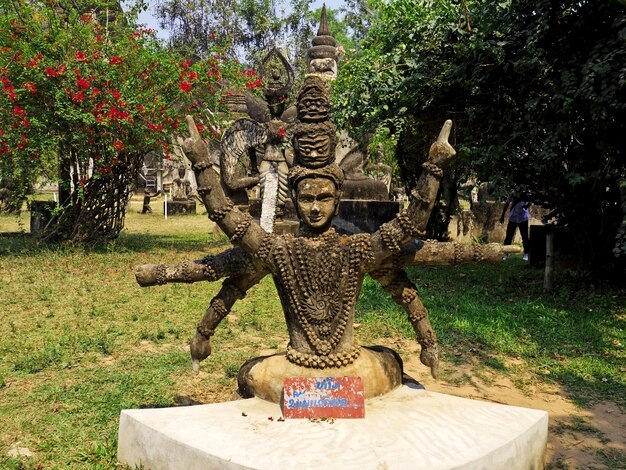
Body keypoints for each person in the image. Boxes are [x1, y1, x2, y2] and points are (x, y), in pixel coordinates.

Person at [500, 193, 531, 260]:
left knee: (524, 236)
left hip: (523, 217)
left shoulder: (527, 191)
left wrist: (525, 206)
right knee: (509, 236)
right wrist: (502, 215)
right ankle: (505, 253)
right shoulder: (513, 192)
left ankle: (526, 254)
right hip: (513, 217)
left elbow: (530, 202)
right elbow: (507, 203)